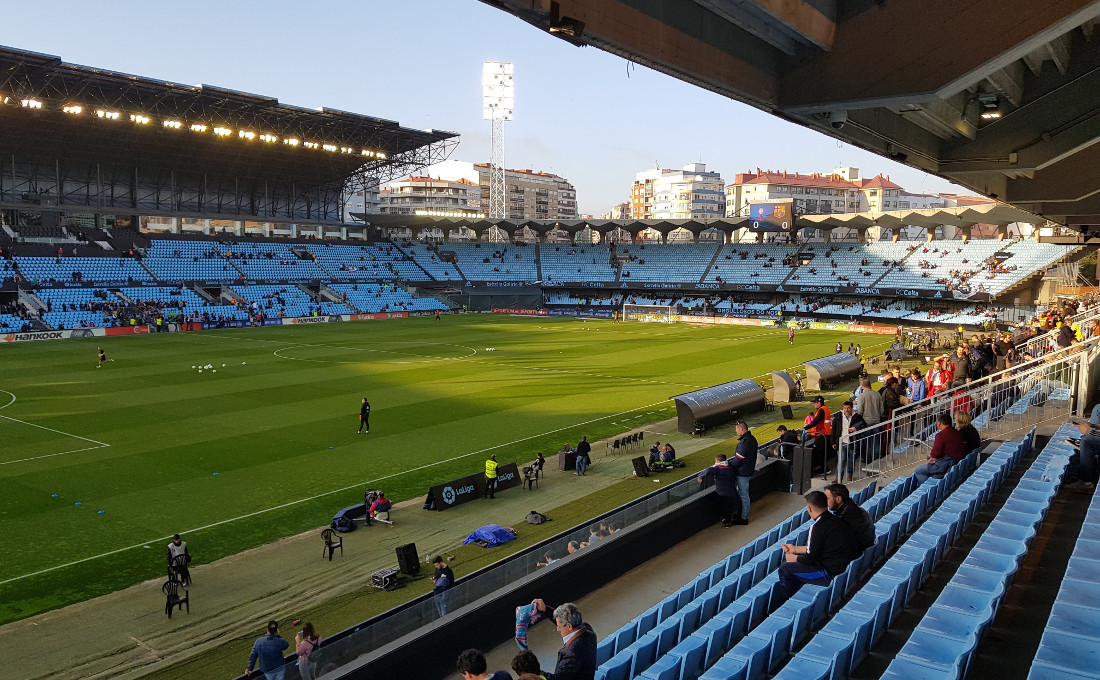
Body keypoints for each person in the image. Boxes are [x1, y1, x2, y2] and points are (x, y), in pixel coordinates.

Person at [776, 490, 859, 601]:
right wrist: (795, 549)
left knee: (785, 568)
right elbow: (819, 549)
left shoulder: (817, 527)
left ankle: (788, 601)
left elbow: (811, 559)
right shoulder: (837, 521)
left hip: (830, 574)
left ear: (809, 509)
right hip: (844, 568)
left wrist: (794, 558)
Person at [545, 603, 597, 680]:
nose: (558, 629)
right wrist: (545, 610)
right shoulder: (587, 629)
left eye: (559, 626)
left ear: (569, 626)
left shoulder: (572, 653)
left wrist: (534, 671)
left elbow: (557, 679)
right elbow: (564, 620)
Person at [913, 413, 966, 484]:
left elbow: (935, 453)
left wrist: (932, 457)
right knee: (930, 461)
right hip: (955, 462)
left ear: (939, 423)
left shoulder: (941, 435)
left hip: (947, 463)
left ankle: (927, 487)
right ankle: (934, 488)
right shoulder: (956, 432)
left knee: (917, 470)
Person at [824, 483, 875, 551]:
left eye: (827, 498)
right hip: (865, 551)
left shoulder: (843, 520)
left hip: (856, 553)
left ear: (838, 499)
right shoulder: (858, 509)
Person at [697, 453, 738, 526]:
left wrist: (700, 476)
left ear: (718, 461)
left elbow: (709, 470)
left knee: (723, 507)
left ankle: (726, 521)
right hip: (731, 491)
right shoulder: (730, 468)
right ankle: (727, 521)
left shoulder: (718, 470)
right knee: (728, 507)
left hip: (722, 492)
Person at [728, 422, 757, 525]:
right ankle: (741, 514)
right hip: (748, 470)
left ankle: (744, 518)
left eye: (736, 429)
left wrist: (728, 464)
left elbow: (738, 460)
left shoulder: (744, 442)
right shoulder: (752, 439)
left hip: (743, 473)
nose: (736, 431)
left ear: (742, 429)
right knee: (742, 493)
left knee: (744, 495)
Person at [831, 401, 867, 482]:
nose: (846, 410)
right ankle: (838, 478)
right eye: (845, 408)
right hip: (841, 442)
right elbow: (834, 430)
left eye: (848, 408)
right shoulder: (838, 417)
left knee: (851, 460)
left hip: (853, 443)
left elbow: (864, 427)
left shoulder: (857, 417)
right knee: (841, 460)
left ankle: (850, 474)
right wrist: (833, 442)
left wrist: (856, 430)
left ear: (852, 408)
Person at [805, 397, 832, 475]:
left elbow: (816, 421)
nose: (813, 404)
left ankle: (825, 469)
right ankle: (824, 468)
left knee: (819, 453)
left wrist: (807, 427)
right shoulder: (824, 409)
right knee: (821, 452)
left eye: (814, 402)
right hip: (824, 434)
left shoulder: (821, 410)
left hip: (821, 435)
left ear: (819, 403)